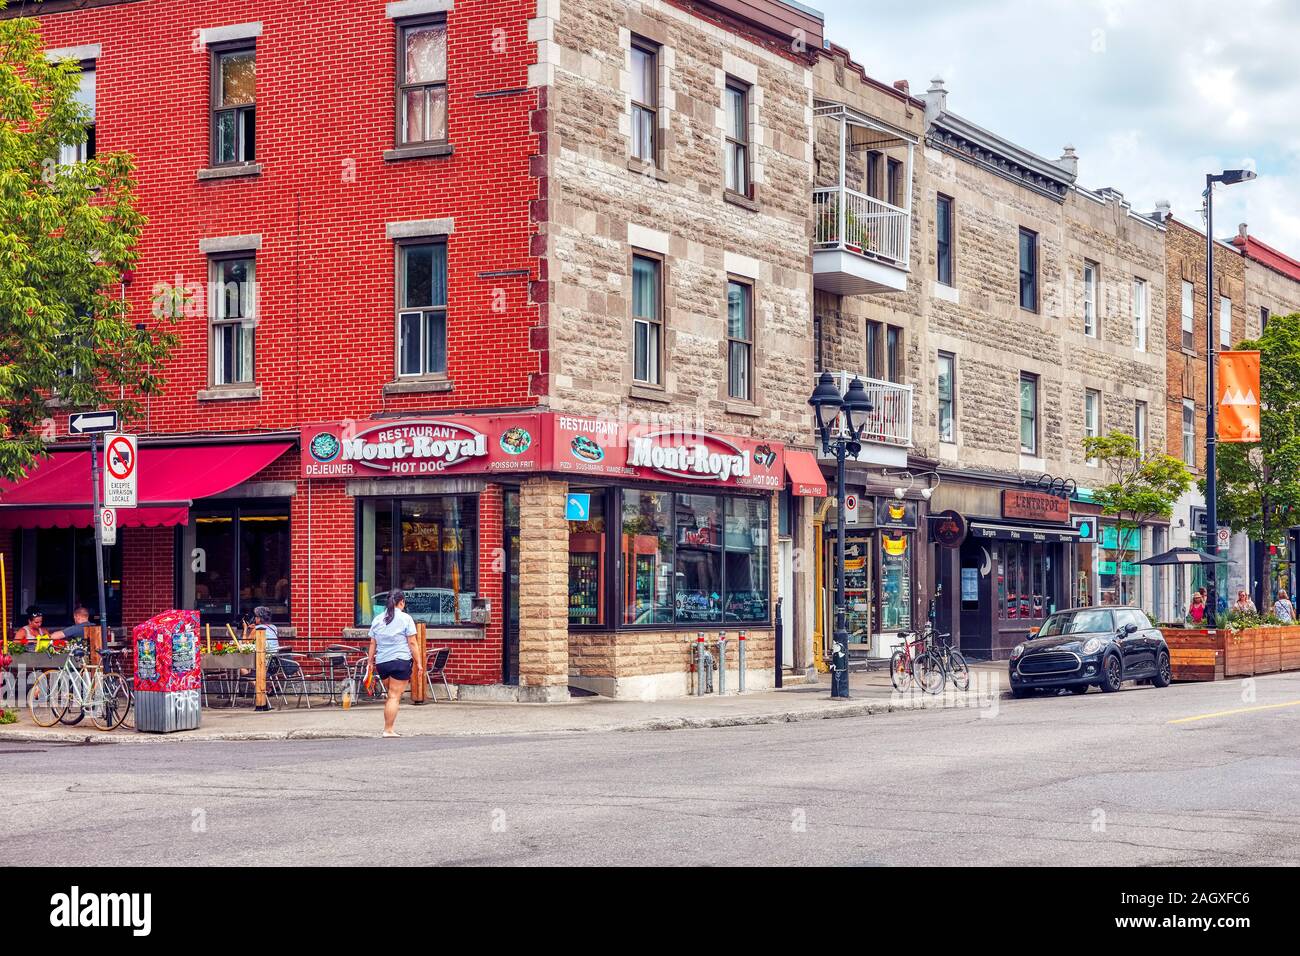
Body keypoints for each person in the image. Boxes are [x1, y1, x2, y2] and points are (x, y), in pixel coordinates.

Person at [366, 589, 419, 738]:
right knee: (394, 696)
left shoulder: (377, 619)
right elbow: (413, 643)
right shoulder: (406, 618)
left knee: (391, 695)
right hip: (400, 661)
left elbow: (372, 643)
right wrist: (419, 663)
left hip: (382, 663)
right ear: (401, 602)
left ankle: (389, 728)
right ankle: (388, 729)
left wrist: (370, 662)